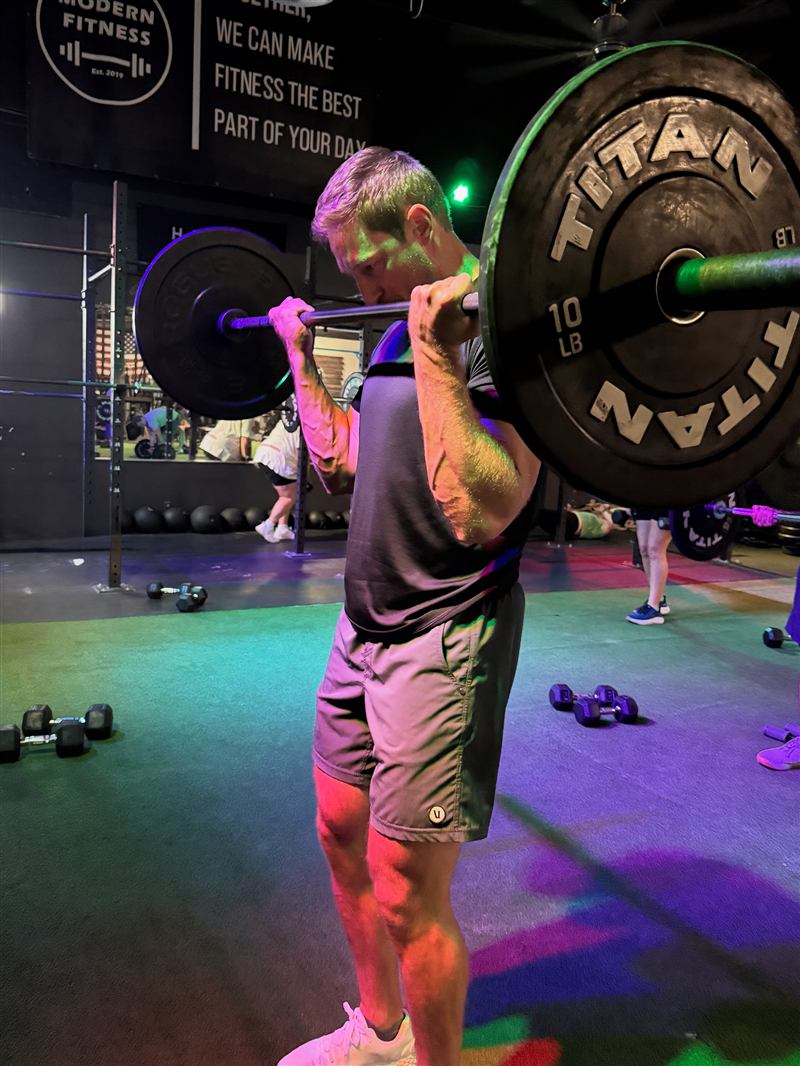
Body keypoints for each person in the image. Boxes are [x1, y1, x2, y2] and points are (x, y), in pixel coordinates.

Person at [267, 147, 541, 1066]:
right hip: (361, 626)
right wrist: (302, 358)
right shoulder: (393, 328)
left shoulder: (506, 331)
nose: (360, 282)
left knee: (404, 891)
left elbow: (485, 508)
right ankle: (379, 1036)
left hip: (446, 628)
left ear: (421, 228)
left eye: (368, 264)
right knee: (339, 830)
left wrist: (440, 354)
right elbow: (342, 464)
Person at [252, 417, 302, 542]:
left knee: (286, 495)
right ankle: (267, 525)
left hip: (264, 454)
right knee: (288, 497)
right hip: (278, 460)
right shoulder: (304, 427)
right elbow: (301, 451)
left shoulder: (288, 419)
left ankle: (282, 528)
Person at [625, 507, 674, 625]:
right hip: (646, 498)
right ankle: (659, 599)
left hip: (668, 497)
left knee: (655, 549)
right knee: (644, 549)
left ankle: (653, 608)